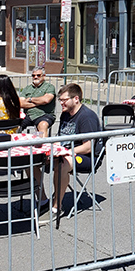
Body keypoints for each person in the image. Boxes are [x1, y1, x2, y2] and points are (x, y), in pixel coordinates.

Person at [52, 83, 102, 215]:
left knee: (64, 162)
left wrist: (67, 151)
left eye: (64, 100)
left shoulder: (86, 117)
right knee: (39, 158)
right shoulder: (65, 114)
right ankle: (44, 200)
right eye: (60, 100)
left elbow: (88, 147)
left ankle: (57, 205)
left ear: (76, 99)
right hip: (67, 151)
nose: (61, 103)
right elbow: (61, 137)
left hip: (88, 157)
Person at [19, 67, 56, 138]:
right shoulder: (27, 88)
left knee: (43, 125)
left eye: (38, 75)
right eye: (33, 75)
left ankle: (44, 147)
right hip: (28, 115)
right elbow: (21, 103)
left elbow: (46, 100)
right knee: (15, 125)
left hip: (44, 115)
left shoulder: (49, 87)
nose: (35, 77)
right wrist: (39, 102)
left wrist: (30, 99)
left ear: (44, 76)